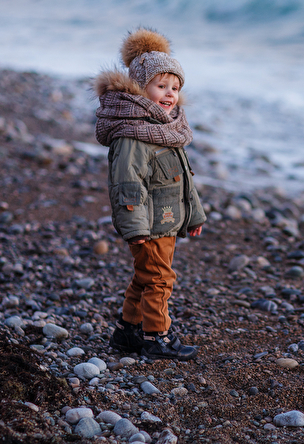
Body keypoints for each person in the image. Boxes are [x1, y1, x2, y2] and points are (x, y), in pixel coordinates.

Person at [94, 28, 206, 360]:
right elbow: (127, 184)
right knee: (159, 278)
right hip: (148, 224)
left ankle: (127, 331)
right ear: (140, 89)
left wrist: (195, 215)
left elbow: (183, 179)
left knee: (146, 275)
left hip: (166, 219)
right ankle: (157, 335)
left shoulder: (166, 129)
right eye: (161, 86)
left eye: (175, 87)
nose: (170, 94)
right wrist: (135, 227)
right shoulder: (133, 132)